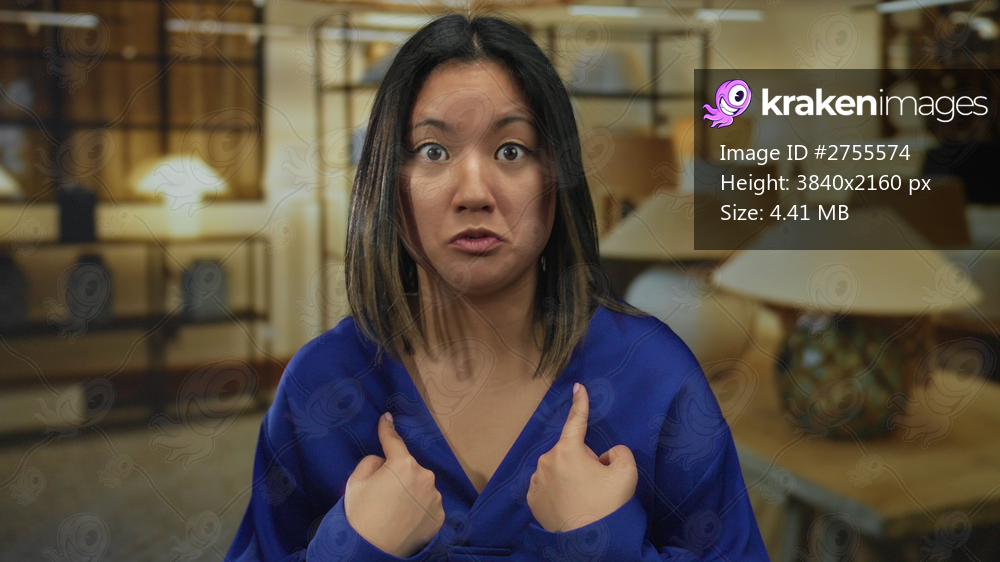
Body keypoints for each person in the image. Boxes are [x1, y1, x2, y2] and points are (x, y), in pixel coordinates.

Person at [225, 12, 770, 562]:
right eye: (433, 151)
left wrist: (599, 545)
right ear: (389, 183)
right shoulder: (319, 383)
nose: (474, 193)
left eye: (511, 150)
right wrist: (350, 550)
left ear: (556, 179)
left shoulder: (655, 376)